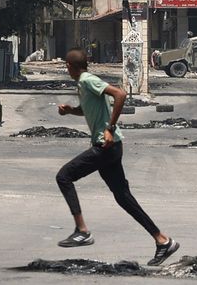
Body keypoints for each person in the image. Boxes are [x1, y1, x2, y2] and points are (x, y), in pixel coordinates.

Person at [54, 48, 179, 267]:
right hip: (111, 148)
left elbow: (120, 94)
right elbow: (87, 110)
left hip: (106, 146)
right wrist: (70, 111)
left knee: (64, 176)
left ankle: (82, 231)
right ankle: (163, 240)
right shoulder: (83, 83)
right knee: (123, 197)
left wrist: (109, 128)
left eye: (66, 66)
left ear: (69, 66)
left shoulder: (87, 80)